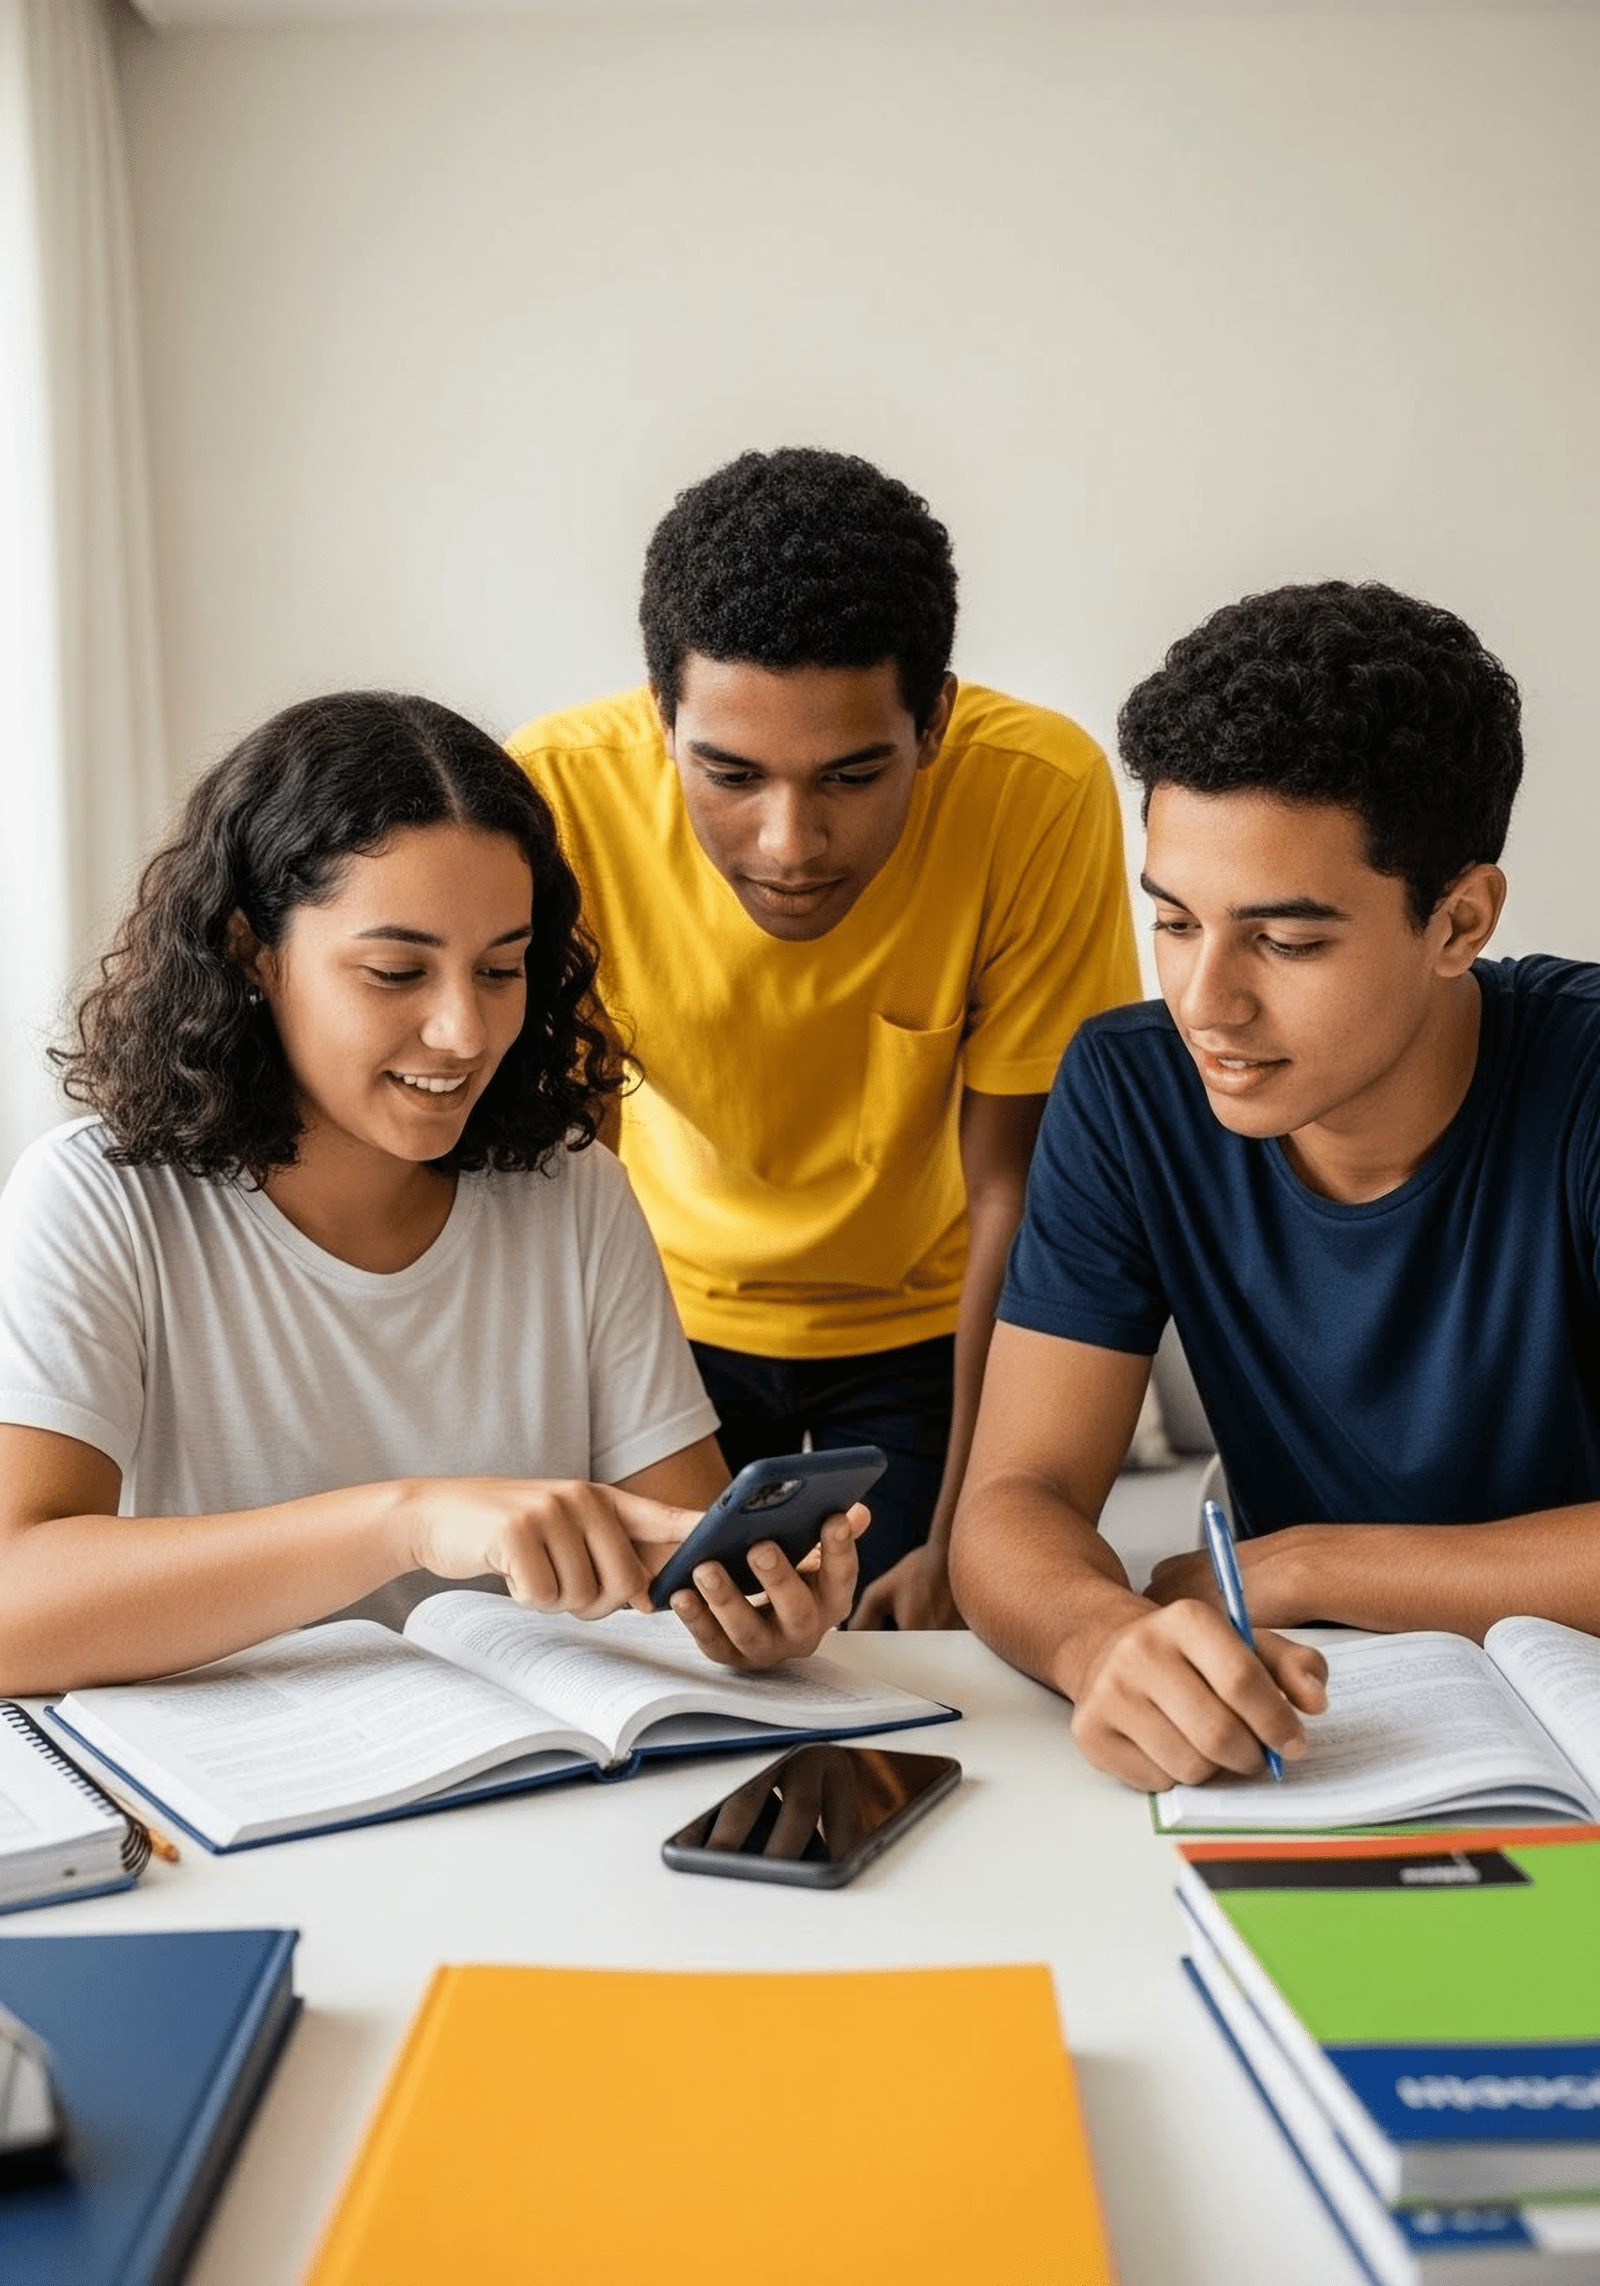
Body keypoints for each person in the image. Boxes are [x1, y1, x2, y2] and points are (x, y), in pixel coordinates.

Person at [0, 692, 864, 1695]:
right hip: (234, 1818)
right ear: (250, 951)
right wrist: (407, 1522)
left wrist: (746, 1610)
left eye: (502, 969)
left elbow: (682, 1567)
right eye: (396, 971)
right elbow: (14, 1609)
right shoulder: (98, 1200)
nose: (464, 1030)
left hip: (525, 1794)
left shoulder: (570, 1194)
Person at [950, 579, 1600, 1793]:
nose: (1206, 1004)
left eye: (1286, 942)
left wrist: (1301, 1566)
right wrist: (1103, 1642)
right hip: (1326, 1740)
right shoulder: (1130, 1092)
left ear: (1458, 922)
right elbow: (1014, 1499)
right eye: (1176, 923)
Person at [509, 448, 1139, 1628]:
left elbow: (1017, 1189)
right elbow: (557, 1181)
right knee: (673, 1650)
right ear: (661, 719)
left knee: (916, 1656)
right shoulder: (550, 796)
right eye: (730, 774)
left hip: (927, 1329)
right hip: (661, 1315)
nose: (790, 843)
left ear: (935, 719)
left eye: (853, 774)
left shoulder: (1037, 794)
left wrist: (965, 1539)